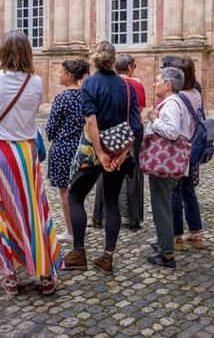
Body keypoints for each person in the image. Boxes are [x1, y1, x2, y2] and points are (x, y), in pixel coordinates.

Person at [0, 30, 60, 295]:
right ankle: (45, 274)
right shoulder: (35, 82)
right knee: (33, 212)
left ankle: (9, 275)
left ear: (1, 52)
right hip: (25, 154)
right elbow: (29, 119)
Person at [63, 41, 143, 274]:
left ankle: (79, 253)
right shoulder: (127, 86)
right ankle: (107, 257)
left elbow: (91, 121)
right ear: (113, 60)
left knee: (75, 197)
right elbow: (135, 125)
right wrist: (122, 153)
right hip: (118, 150)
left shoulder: (90, 84)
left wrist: (100, 153)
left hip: (93, 151)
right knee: (111, 202)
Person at [145, 67, 195, 269]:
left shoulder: (172, 104)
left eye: (158, 80)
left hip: (165, 162)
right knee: (162, 204)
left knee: (161, 207)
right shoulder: (175, 102)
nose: (154, 83)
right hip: (168, 162)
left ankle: (166, 253)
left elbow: (172, 132)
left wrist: (153, 119)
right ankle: (163, 242)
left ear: (168, 85)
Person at [93, 53, 145, 230]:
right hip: (128, 133)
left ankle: (99, 216)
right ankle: (131, 217)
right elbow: (138, 111)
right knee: (130, 174)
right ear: (130, 67)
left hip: (107, 131)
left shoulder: (107, 84)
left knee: (105, 171)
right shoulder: (136, 85)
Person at [45, 59, 90, 243]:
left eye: (61, 72)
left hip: (63, 148)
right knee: (78, 191)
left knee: (65, 193)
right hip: (81, 148)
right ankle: (80, 225)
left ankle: (72, 231)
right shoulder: (85, 96)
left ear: (70, 75)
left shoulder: (62, 98)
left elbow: (51, 128)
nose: (59, 75)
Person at [165, 56, 207, 250]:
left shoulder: (178, 97)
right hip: (194, 147)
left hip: (180, 148)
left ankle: (176, 236)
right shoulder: (196, 92)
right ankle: (196, 232)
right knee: (189, 191)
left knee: (174, 192)